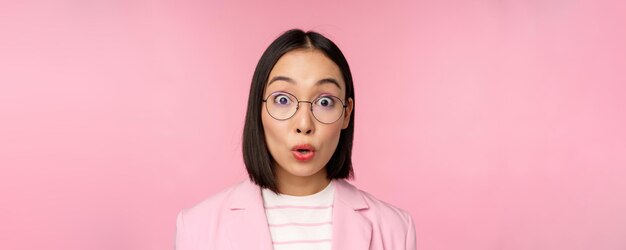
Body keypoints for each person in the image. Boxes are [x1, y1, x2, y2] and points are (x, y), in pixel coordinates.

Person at [175, 28, 416, 250]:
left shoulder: (395, 229)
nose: (304, 125)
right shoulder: (197, 227)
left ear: (346, 113)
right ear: (257, 109)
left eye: (325, 102)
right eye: (282, 100)